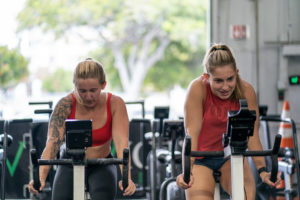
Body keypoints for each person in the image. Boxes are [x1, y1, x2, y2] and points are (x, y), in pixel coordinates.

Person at [176, 44, 281, 200]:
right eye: (218, 81)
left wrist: (263, 171)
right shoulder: (197, 89)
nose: (225, 87)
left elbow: (252, 136)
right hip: (200, 159)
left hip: (231, 157)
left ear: (236, 73)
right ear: (206, 77)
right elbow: (192, 135)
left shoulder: (246, 91)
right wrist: (187, 172)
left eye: (230, 79)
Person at [28, 58, 136, 199]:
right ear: (75, 87)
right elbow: (52, 144)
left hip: (101, 163)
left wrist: (127, 178)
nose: (88, 97)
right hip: (69, 163)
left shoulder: (115, 104)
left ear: (103, 85)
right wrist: (40, 177)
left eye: (93, 90)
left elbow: (122, 144)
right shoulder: (65, 105)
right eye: (82, 91)